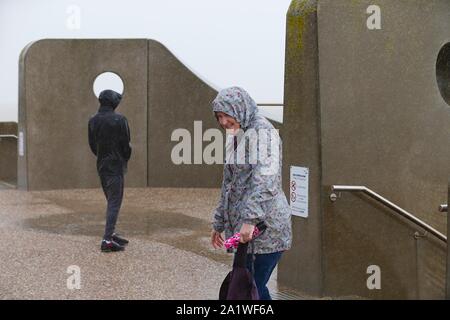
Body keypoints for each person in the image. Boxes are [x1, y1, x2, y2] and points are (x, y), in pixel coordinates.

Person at [210, 86, 292, 300]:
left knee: (253, 286)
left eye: (226, 114)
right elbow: (229, 182)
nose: (222, 122)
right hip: (249, 232)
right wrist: (219, 222)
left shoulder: (263, 133)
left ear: (239, 109)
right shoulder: (238, 134)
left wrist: (250, 220)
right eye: (219, 116)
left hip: (266, 230)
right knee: (249, 286)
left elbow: (266, 180)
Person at [88, 89, 131, 252]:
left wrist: (103, 156)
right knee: (114, 202)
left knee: (111, 200)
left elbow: (92, 145)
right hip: (115, 166)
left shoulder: (92, 120)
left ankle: (111, 233)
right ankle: (107, 240)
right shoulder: (120, 119)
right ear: (113, 102)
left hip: (102, 165)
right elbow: (126, 145)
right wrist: (123, 158)